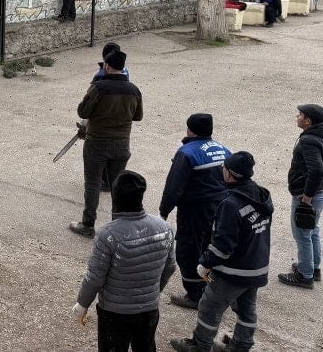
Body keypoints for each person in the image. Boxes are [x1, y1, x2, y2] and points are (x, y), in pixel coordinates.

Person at [170, 152, 273, 352]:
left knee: (209, 308)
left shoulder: (230, 204)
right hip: (257, 267)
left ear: (229, 174)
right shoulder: (260, 195)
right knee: (247, 309)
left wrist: (205, 262)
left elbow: (223, 247)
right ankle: (241, 346)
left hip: (233, 272)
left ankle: (200, 346)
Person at [72, 170, 176, 352]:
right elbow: (170, 267)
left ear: (115, 197)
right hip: (149, 310)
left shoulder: (108, 235)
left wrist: (82, 303)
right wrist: (153, 291)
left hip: (114, 313)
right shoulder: (164, 228)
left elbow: (95, 278)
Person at [158, 114, 231, 309]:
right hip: (221, 209)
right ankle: (212, 288)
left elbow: (174, 186)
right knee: (210, 247)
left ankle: (195, 294)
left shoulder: (187, 153)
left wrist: (164, 211)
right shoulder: (224, 150)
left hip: (195, 211)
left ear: (190, 130)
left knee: (188, 250)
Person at [70, 49, 142, 238]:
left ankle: (88, 224)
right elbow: (138, 116)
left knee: (92, 184)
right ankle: (118, 228)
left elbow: (83, 111)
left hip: (97, 143)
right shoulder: (134, 90)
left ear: (107, 66)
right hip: (121, 145)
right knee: (117, 186)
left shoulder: (99, 88)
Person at [278, 104, 323, 289]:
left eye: (300, 114)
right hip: (322, 193)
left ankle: (304, 275)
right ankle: (313, 268)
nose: (297, 116)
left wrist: (307, 195)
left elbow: (316, 171)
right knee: (312, 230)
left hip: (308, 196)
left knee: (302, 234)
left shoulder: (309, 140)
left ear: (308, 121)